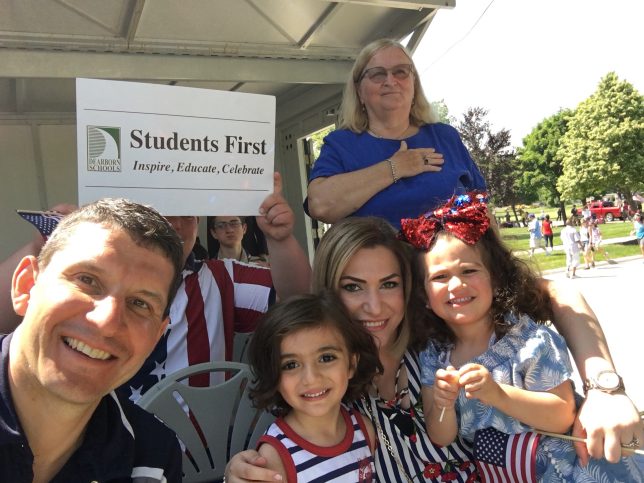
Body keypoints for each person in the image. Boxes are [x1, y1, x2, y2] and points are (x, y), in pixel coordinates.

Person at [226, 216, 643, 482]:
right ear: (330, 294)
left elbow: (557, 291)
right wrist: (243, 471)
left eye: (389, 284)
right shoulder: (328, 376)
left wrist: (606, 387)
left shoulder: (437, 341)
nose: (374, 307)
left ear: (410, 288)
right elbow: (288, 444)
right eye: (352, 288)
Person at [1, 173, 312, 403]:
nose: (176, 225)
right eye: (163, 211)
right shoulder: (91, 276)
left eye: (187, 215)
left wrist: (279, 238)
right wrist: (41, 244)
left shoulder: (221, 278)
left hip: (206, 454)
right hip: (111, 450)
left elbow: (297, 302)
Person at [399, 193, 642, 481]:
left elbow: (562, 414)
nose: (457, 284)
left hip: (574, 471)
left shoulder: (528, 341)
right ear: (424, 296)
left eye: (469, 270)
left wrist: (497, 394)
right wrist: (442, 404)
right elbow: (442, 435)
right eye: (440, 277)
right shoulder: (435, 356)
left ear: (496, 278)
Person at [1, 198, 183, 482]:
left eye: (139, 303)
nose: (106, 323)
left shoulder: (152, 459)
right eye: (87, 280)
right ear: (26, 285)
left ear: (156, 337)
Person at [305, 38, 485, 229]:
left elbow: (482, 207)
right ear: (359, 91)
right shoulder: (341, 144)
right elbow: (319, 205)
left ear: (414, 83)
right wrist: (395, 168)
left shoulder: (445, 137)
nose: (390, 81)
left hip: (449, 258)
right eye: (377, 74)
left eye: (401, 72)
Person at [248, 292, 381, 482]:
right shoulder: (274, 457)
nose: (311, 378)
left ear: (351, 364)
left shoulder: (364, 429)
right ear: (274, 376)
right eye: (291, 365)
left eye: (326, 358)